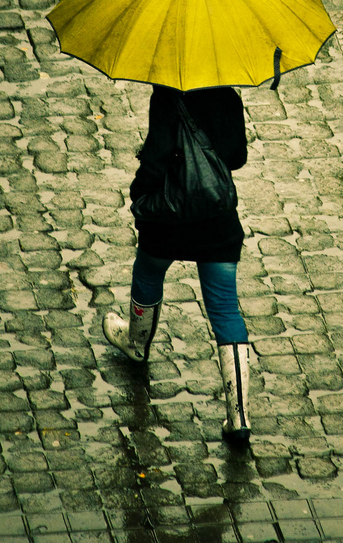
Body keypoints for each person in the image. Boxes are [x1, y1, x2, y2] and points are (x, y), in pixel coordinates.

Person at [102, 84, 251, 443]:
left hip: (168, 220)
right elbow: (236, 157)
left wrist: (139, 192)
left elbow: (156, 158)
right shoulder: (227, 96)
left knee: (148, 271)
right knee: (225, 310)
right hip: (215, 218)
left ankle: (137, 342)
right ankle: (239, 417)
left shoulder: (166, 97)